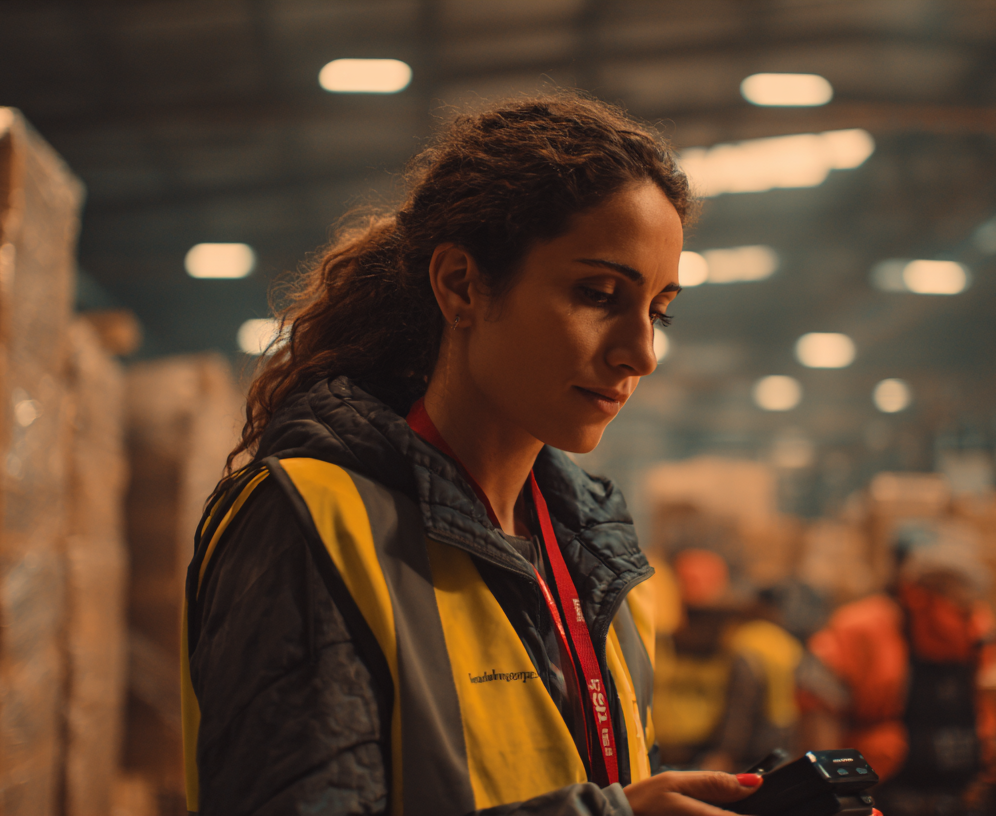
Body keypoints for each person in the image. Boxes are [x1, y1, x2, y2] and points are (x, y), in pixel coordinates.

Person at [180, 94, 766, 816]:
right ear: (460, 284)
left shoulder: (599, 556)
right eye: (598, 293)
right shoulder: (313, 525)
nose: (641, 352)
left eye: (658, 309)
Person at [796, 537, 996, 815]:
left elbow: (989, 706)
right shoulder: (862, 630)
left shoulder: (978, 630)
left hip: (962, 797)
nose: (961, 606)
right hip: (881, 796)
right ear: (914, 591)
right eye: (949, 592)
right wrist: (832, 797)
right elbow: (818, 701)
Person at [654, 550, 804, 773]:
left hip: (718, 755)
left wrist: (725, 753)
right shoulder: (667, 631)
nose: (694, 588)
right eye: (686, 580)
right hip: (670, 749)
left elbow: (742, 702)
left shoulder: (742, 637)